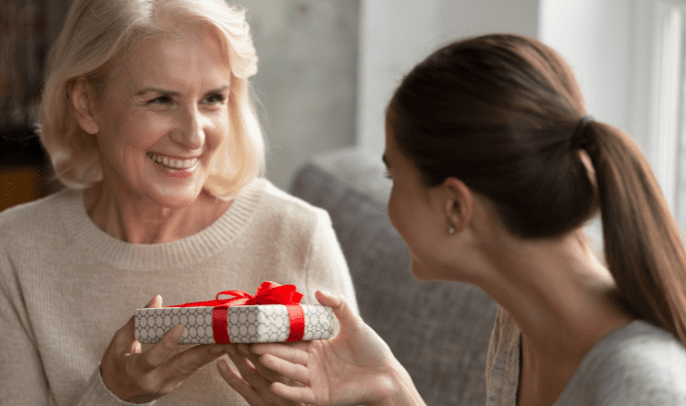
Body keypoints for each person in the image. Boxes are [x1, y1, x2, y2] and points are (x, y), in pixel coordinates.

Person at [219, 34, 686, 405]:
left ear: (455, 207)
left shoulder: (642, 385)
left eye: (393, 175)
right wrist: (389, 388)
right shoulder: (520, 329)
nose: (389, 198)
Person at [0, 0, 357, 404]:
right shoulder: (16, 247)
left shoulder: (299, 236)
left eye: (212, 99)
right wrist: (113, 393)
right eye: (160, 100)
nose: (194, 136)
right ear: (87, 104)